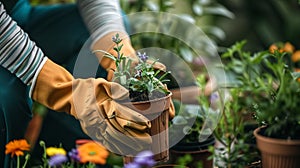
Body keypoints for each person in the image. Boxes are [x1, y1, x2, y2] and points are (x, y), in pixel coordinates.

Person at [0, 0, 170, 167]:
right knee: (9, 97)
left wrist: (122, 60)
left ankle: (71, 153)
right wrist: (68, 93)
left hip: (18, 13)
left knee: (102, 33)